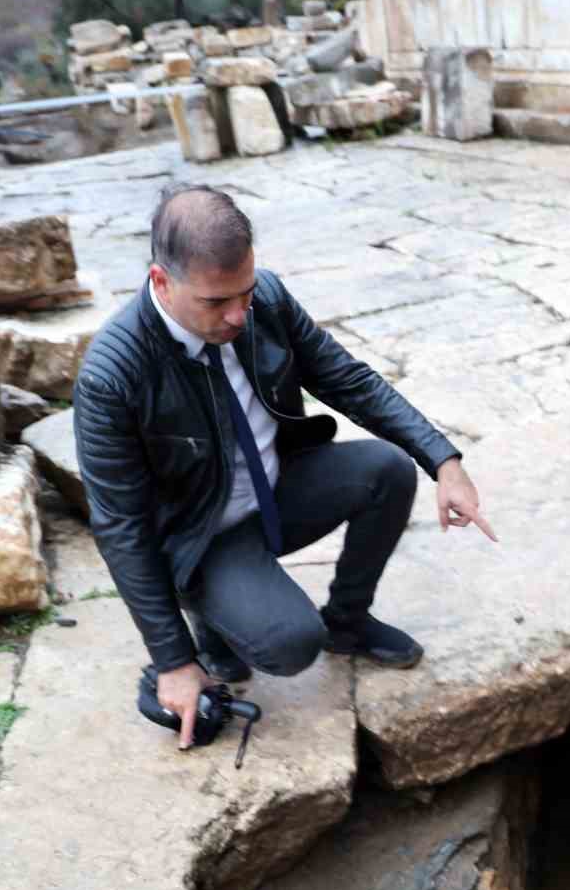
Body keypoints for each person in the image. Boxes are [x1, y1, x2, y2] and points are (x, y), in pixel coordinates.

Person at [74, 183, 494, 748]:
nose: (237, 315)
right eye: (216, 302)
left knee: (388, 469)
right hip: (204, 536)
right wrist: (172, 659)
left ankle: (348, 622)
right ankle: (210, 631)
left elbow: (349, 381)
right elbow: (121, 527)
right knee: (290, 644)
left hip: (275, 490)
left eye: (244, 292)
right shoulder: (112, 375)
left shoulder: (264, 301)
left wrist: (443, 460)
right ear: (161, 282)